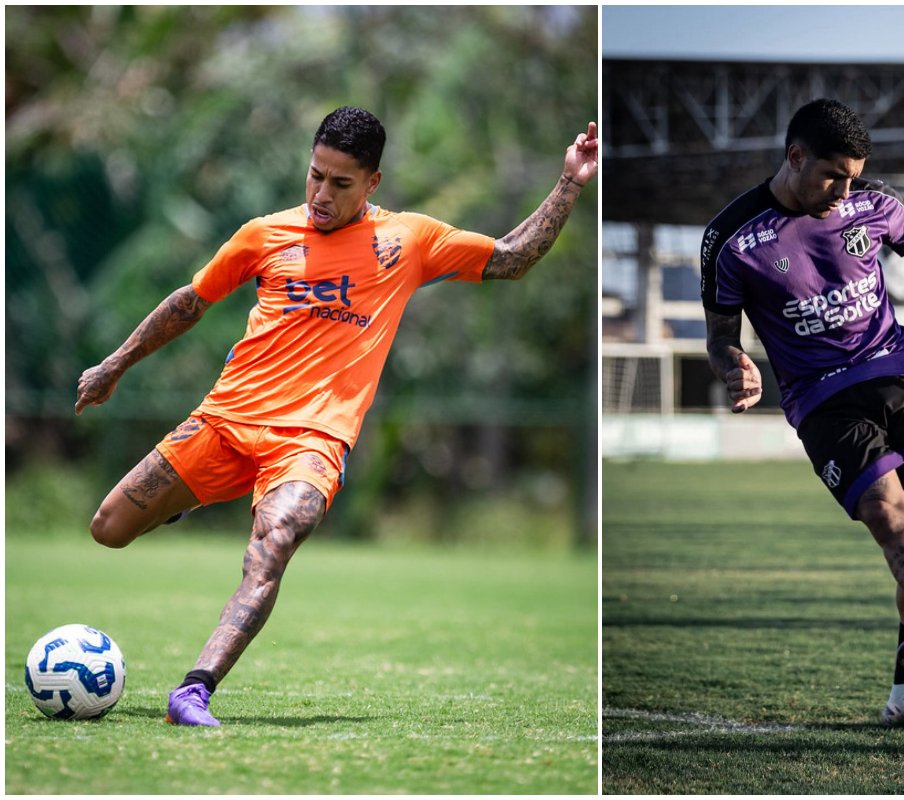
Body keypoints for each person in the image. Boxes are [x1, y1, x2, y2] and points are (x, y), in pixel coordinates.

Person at [75, 106, 598, 727]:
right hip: (225, 422)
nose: (321, 194)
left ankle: (194, 691)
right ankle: (201, 493)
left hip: (313, 440)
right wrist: (115, 364)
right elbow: (191, 302)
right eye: (314, 176)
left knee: (274, 542)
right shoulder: (263, 235)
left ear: (372, 182)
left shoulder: (409, 240)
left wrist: (569, 183)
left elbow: (513, 256)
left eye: (340, 183)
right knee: (107, 527)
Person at [700, 98, 904, 730]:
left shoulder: (873, 206)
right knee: (893, 519)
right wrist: (732, 363)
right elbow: (720, 334)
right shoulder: (730, 238)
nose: (845, 190)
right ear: (795, 157)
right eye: (833, 175)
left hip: (897, 373)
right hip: (823, 401)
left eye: (855, 176)